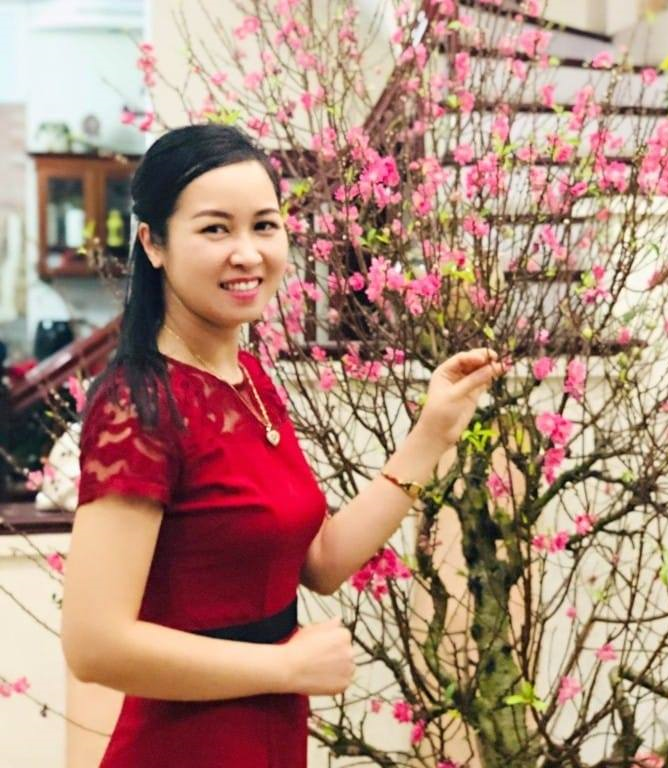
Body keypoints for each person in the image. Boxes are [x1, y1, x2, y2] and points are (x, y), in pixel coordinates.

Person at [61, 124, 504, 767]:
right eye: (216, 229)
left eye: (264, 226)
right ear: (153, 243)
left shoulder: (248, 380)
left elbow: (320, 561)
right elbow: (94, 645)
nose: (247, 253)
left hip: (268, 741)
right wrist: (285, 667)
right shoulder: (140, 404)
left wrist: (431, 433)